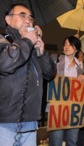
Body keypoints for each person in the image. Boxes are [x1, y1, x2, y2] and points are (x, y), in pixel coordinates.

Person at [0, 3, 56, 146]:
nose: (28, 20)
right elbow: (5, 64)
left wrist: (41, 51)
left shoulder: (31, 44)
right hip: (6, 121)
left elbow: (50, 73)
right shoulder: (3, 40)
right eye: (22, 15)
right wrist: (27, 40)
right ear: (8, 19)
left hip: (31, 120)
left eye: (31, 18)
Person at [49, 36, 84, 146]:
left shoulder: (81, 66)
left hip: (75, 108)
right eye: (65, 43)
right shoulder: (55, 59)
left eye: (70, 44)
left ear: (77, 48)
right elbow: (48, 75)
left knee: (72, 141)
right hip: (58, 107)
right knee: (56, 140)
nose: (66, 46)